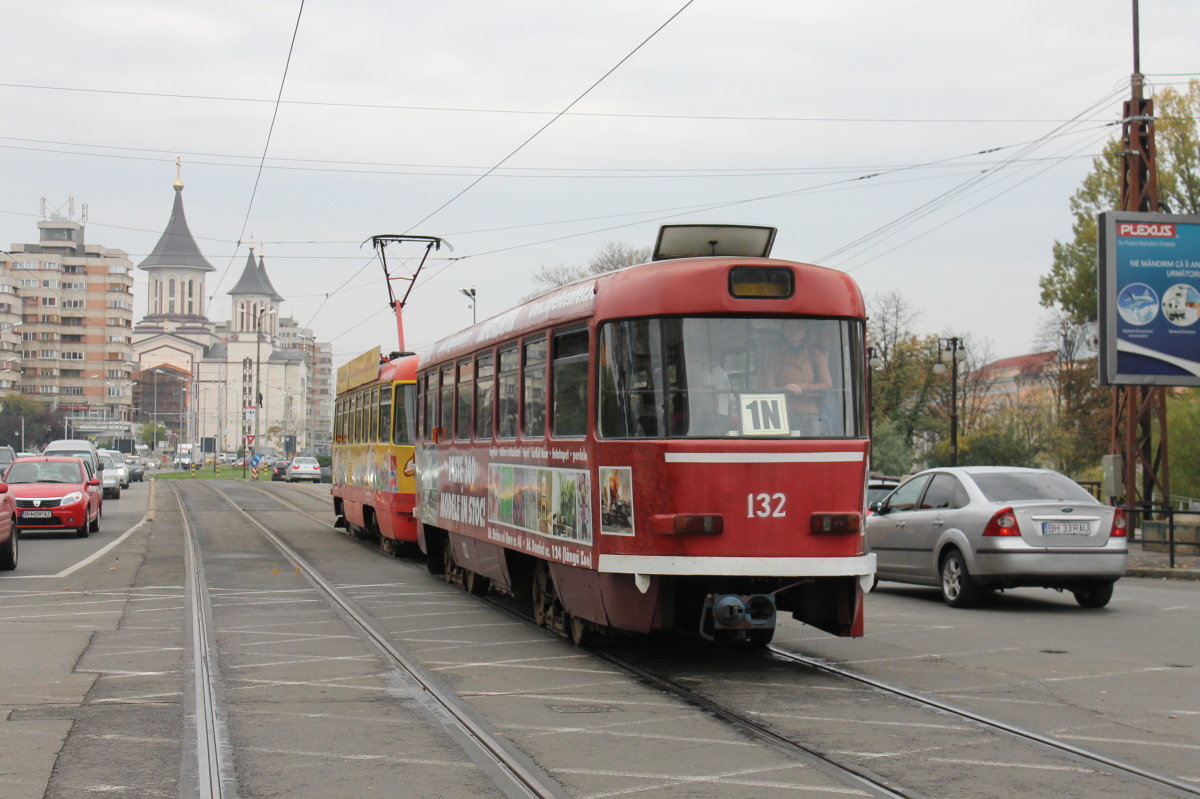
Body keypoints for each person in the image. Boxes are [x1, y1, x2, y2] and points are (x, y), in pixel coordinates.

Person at [765, 320, 832, 434]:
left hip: (811, 413)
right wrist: (785, 390)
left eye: (798, 326)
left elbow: (826, 385)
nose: (794, 330)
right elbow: (767, 388)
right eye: (789, 326)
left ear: (805, 330)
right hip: (782, 413)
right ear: (783, 330)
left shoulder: (816, 355)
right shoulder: (775, 357)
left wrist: (801, 387)